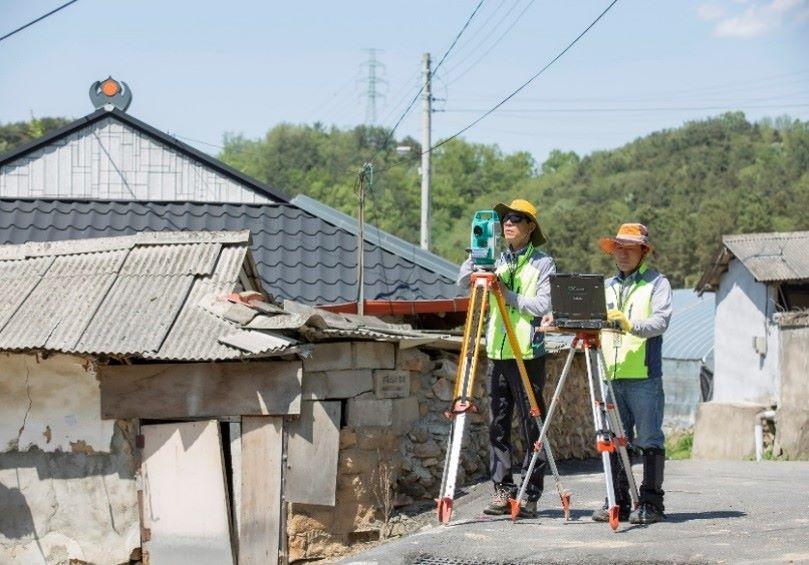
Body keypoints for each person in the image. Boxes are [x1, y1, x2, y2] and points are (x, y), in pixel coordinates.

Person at [457, 199, 556, 518]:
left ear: (530, 227)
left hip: (527, 353)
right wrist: (475, 254)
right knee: (497, 425)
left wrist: (506, 294)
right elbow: (462, 285)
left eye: (517, 219)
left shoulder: (543, 263)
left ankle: (529, 493)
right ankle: (502, 489)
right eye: (505, 219)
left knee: (532, 425)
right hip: (499, 352)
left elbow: (543, 304)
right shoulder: (493, 259)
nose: (508, 223)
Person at [594, 223, 672, 525]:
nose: (623, 253)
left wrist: (630, 324)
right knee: (615, 440)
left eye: (630, 248)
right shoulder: (606, 286)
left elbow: (661, 321)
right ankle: (618, 501)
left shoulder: (657, 283)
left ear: (643, 251)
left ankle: (652, 504)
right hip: (610, 375)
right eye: (618, 248)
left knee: (650, 438)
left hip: (644, 376)